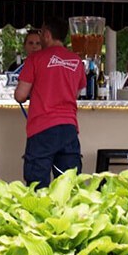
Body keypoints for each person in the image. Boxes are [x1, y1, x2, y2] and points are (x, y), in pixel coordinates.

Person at [14, 17, 86, 188]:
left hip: (42, 128)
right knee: (68, 184)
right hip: (69, 128)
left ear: (47, 34)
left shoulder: (35, 59)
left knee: (37, 184)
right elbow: (76, 92)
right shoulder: (76, 61)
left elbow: (20, 96)